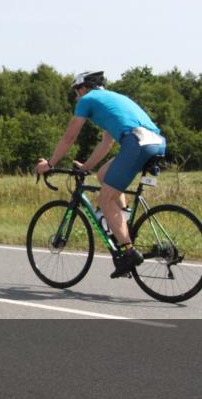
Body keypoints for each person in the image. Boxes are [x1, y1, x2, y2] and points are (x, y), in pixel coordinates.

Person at [35, 71, 166, 279]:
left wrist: (50, 163)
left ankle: (128, 252)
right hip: (156, 142)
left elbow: (69, 138)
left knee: (104, 199)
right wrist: (87, 166)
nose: (77, 97)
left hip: (137, 143)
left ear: (84, 88)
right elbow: (106, 143)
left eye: (77, 92)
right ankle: (122, 225)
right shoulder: (113, 100)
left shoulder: (88, 100)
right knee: (103, 175)